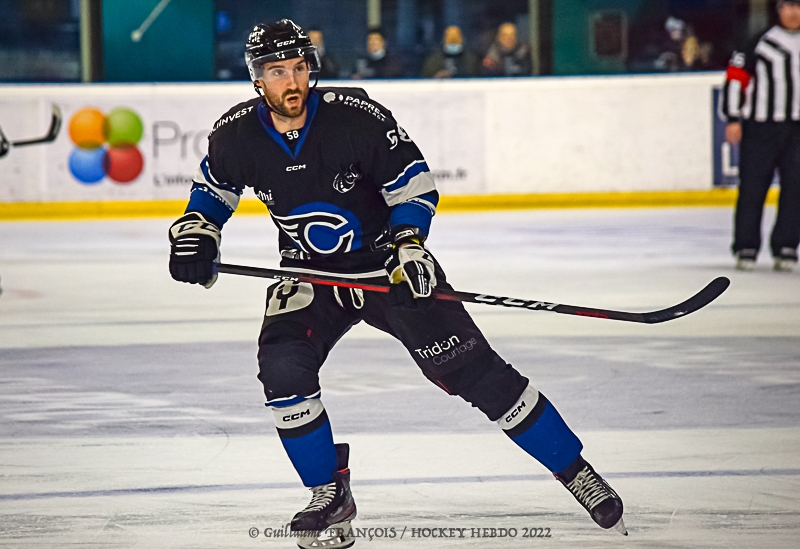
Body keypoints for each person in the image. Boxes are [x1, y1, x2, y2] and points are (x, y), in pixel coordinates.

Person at [168, 19, 626, 549]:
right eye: (277, 72)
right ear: (257, 80)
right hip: (309, 275)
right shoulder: (235, 135)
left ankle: (575, 471)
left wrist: (409, 246)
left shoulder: (355, 117)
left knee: (475, 373)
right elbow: (210, 195)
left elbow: (414, 187)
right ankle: (328, 493)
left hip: (389, 270)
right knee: (282, 371)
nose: (291, 82)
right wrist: (197, 234)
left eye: (298, 68)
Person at [721, 0, 800, 272]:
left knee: (796, 188)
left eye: (798, 6)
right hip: (761, 128)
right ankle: (746, 245)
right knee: (753, 188)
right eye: (788, 6)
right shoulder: (759, 43)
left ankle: (787, 245)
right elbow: (735, 78)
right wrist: (733, 117)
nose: (793, 13)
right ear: (777, 10)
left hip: (797, 129)